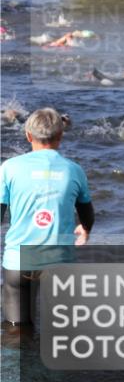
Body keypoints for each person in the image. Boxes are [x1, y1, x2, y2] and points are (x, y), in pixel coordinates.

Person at [1, 109, 94, 328]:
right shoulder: (74, 170)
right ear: (60, 136)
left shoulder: (9, 168)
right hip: (60, 260)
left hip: (19, 260)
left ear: (28, 135)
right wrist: (86, 228)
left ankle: (20, 357)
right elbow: (86, 211)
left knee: (17, 330)